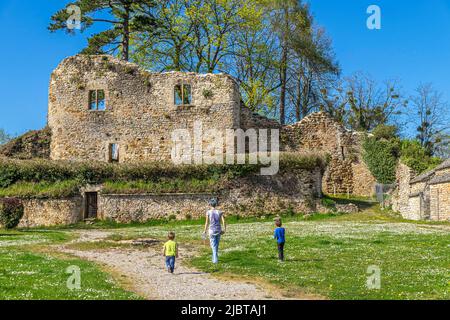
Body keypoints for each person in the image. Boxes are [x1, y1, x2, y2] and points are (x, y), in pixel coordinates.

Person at [203, 197, 226, 264]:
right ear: (216, 205)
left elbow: (207, 222)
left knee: (213, 245)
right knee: (216, 245)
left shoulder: (208, 212)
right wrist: (224, 229)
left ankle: (215, 260)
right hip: (218, 230)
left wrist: (205, 230)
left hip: (211, 230)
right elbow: (224, 221)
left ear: (210, 204)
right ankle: (214, 258)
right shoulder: (219, 212)